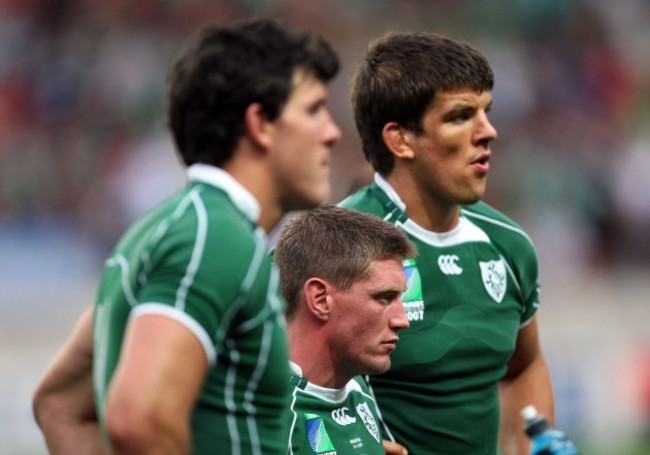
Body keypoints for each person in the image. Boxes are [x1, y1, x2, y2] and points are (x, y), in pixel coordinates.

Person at [32, 18, 341, 455]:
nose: (332, 131)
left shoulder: (168, 229)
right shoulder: (212, 238)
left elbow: (62, 404)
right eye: (313, 110)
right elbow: (138, 419)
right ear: (260, 123)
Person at [340, 31, 555, 455]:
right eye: (460, 116)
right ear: (400, 139)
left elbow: (523, 365)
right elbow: (271, 392)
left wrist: (534, 443)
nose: (488, 131)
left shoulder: (508, 246)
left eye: (486, 112)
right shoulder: (332, 250)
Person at [274, 204, 416, 455]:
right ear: (320, 300)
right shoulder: (266, 418)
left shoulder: (356, 387)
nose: (402, 320)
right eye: (384, 297)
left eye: (400, 298)